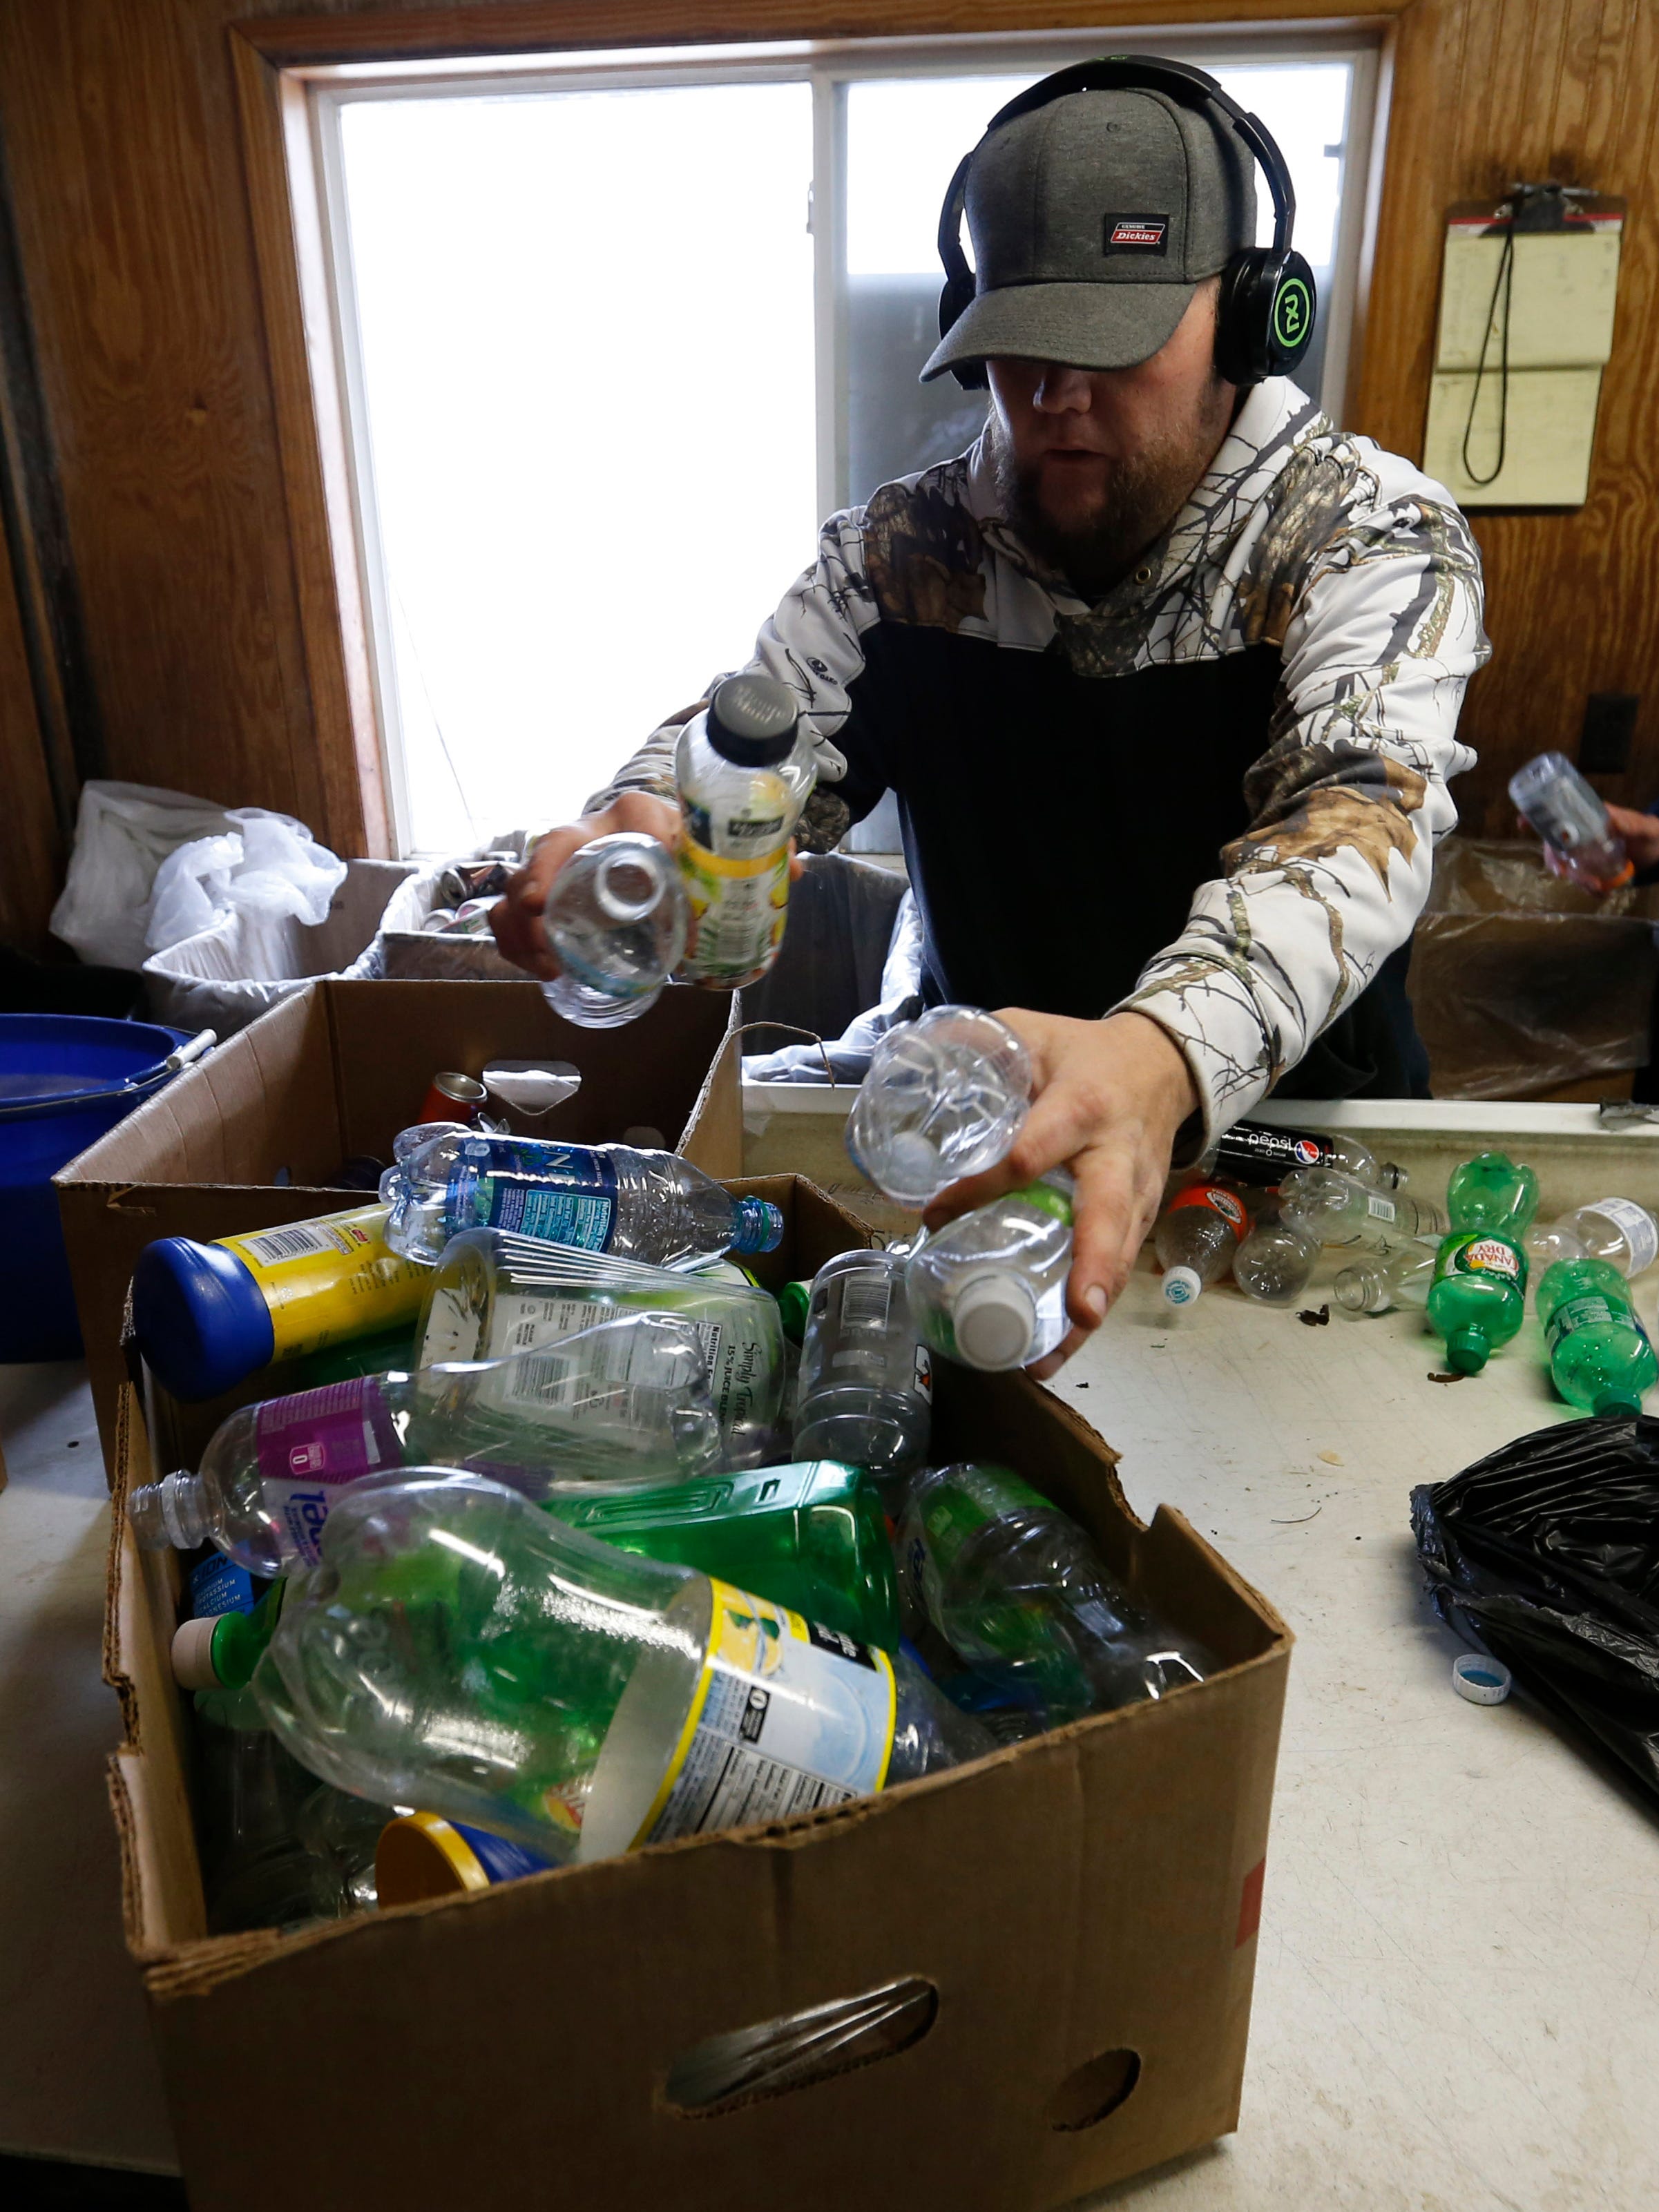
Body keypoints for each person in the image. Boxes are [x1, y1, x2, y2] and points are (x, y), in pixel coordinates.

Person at [492, 58, 1489, 1373]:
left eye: (1109, 338)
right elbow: (752, 738)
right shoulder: (903, 554)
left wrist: (1154, 1057)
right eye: (1018, 339)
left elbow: (1352, 817)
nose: (1052, 393)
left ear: (1247, 316)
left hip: (1304, 1187)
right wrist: (651, 846)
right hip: (993, 1168)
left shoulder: (1368, 537)